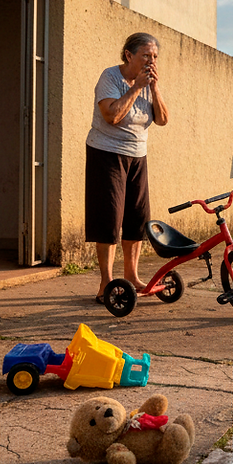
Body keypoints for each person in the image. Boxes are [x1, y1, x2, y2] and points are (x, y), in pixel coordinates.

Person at [85, 33, 168, 302]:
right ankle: (106, 284)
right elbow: (111, 116)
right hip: (106, 153)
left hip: (137, 156)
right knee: (109, 219)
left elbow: (163, 120)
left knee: (137, 218)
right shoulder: (110, 78)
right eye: (145, 55)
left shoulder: (149, 83)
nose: (151, 61)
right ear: (129, 55)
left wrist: (154, 89)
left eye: (154, 56)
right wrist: (135, 88)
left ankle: (131, 276)